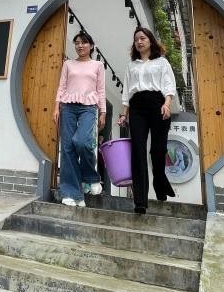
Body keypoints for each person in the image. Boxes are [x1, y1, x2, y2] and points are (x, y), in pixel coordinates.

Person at [118, 27, 177, 214]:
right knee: (138, 151)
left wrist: (167, 104)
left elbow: (169, 85)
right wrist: (124, 114)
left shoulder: (162, 62)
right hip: (137, 108)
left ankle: (160, 183)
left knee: (158, 151)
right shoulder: (131, 65)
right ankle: (140, 201)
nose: (139, 41)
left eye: (143, 38)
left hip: (158, 104)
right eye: (136, 39)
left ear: (150, 40)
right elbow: (127, 92)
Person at [53, 30, 106, 207]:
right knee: (68, 149)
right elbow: (62, 86)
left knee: (82, 142)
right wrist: (56, 107)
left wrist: (103, 112)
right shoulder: (68, 64)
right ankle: (72, 194)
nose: (80, 45)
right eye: (77, 43)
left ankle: (91, 177)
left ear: (91, 45)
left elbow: (101, 90)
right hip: (68, 107)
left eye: (83, 42)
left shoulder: (98, 65)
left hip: (88, 108)